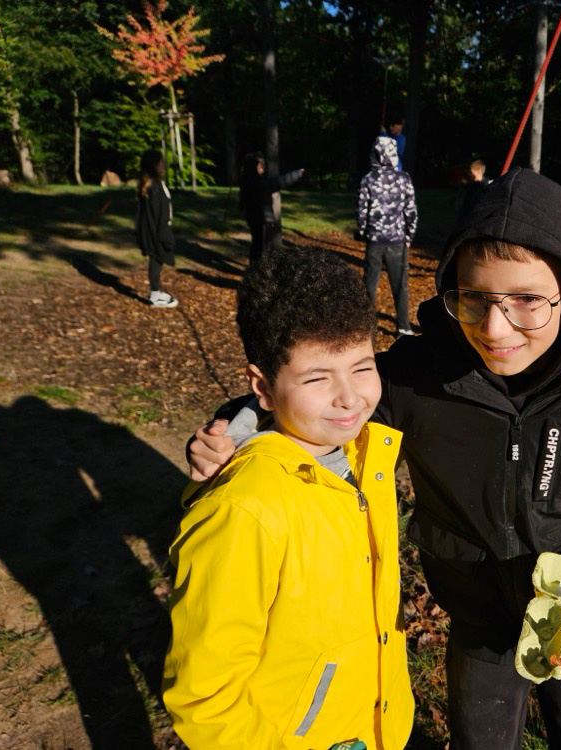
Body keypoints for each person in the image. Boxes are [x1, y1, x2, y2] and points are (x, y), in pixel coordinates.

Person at [189, 168, 561, 750]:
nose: (495, 328)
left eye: (527, 301)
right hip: (480, 618)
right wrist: (237, 425)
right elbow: (319, 396)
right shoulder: (416, 377)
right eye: (474, 298)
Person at [162, 247, 414, 749]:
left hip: (374, 727)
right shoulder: (244, 511)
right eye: (318, 378)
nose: (350, 397)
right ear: (262, 387)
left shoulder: (364, 454)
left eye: (362, 368)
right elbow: (205, 699)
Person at [357, 136, 418, 337]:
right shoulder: (403, 178)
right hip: (397, 241)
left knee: (369, 284)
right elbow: (410, 210)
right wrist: (409, 236)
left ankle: (367, 329)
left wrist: (365, 232)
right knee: (400, 285)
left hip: (374, 241)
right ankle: (403, 327)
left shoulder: (368, 179)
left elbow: (361, 211)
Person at [238, 152, 305, 265]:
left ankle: (254, 266)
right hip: (260, 218)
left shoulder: (246, 181)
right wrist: (298, 173)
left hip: (253, 217)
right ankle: (257, 268)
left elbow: (243, 201)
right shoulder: (259, 182)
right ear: (254, 168)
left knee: (257, 243)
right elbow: (280, 182)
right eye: (259, 166)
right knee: (260, 245)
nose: (262, 169)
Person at [135, 149, 178, 308]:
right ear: (154, 165)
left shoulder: (150, 184)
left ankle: (155, 291)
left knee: (156, 258)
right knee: (157, 257)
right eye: (161, 162)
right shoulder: (154, 186)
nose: (163, 164)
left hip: (150, 228)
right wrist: (164, 234)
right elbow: (159, 212)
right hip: (155, 229)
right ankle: (154, 295)